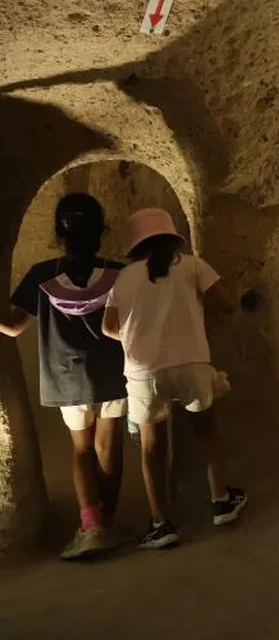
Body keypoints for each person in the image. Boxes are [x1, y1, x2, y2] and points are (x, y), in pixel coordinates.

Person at [102, 208, 246, 548]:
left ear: (136, 244)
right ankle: (222, 501)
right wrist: (237, 288)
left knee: (152, 448)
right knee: (206, 431)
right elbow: (224, 305)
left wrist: (142, 337)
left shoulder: (124, 277)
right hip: (191, 362)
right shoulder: (193, 265)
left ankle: (160, 523)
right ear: (172, 236)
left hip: (143, 369)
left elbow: (108, 327)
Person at [0, 194, 127, 560]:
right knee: (108, 447)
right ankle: (110, 522)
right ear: (101, 230)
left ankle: (90, 529)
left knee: (81, 449)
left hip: (67, 376)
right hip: (114, 372)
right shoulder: (119, 272)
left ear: (60, 231)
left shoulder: (43, 275)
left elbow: (11, 327)